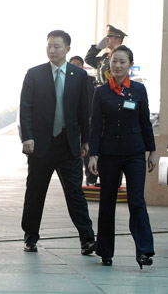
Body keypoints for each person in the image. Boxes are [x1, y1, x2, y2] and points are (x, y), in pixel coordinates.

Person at [20, 30, 96, 255]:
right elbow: (26, 108)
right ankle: (30, 237)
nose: (52, 50)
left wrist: (85, 140)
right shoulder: (34, 74)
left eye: (57, 46)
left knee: (75, 193)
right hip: (41, 145)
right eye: (49, 46)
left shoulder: (79, 76)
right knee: (35, 192)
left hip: (68, 144)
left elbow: (84, 110)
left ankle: (87, 239)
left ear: (68, 49)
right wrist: (28, 137)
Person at [88, 45, 156, 268]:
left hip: (135, 153)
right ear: (109, 63)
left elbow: (145, 122)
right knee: (107, 201)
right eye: (114, 61)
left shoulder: (138, 90)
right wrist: (93, 155)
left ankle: (144, 251)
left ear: (130, 65)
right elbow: (96, 126)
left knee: (137, 201)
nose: (117, 66)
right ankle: (105, 251)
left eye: (122, 62)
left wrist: (152, 151)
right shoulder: (101, 92)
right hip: (109, 154)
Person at [69, 55, 98, 186]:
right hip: (72, 124)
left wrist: (92, 115)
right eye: (72, 65)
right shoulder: (65, 81)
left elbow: (95, 100)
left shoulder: (91, 81)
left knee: (88, 152)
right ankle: (75, 181)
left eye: (78, 65)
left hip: (88, 122)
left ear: (83, 67)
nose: (75, 67)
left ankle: (91, 180)